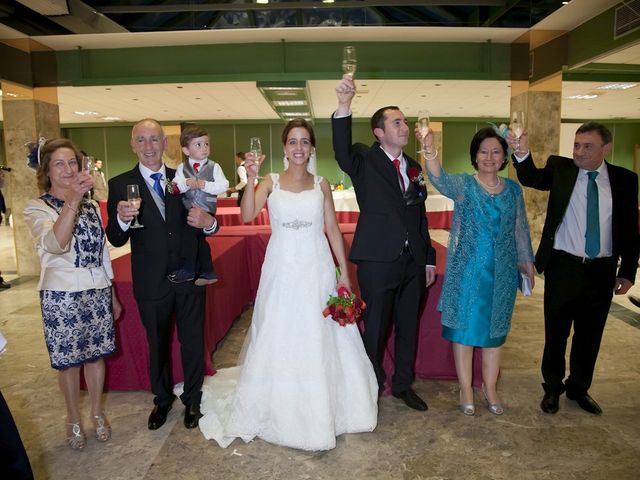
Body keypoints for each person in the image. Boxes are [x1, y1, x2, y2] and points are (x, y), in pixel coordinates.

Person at [199, 118, 377, 451]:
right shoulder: (271, 181)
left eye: (304, 141)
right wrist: (251, 178)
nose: (298, 147)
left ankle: (324, 407)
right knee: (280, 331)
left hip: (317, 266)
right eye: (293, 141)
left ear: (311, 147)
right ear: (285, 147)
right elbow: (248, 215)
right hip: (282, 267)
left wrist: (344, 273)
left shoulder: (322, 184)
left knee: (317, 333)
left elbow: (334, 231)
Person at [508, 122, 639, 415]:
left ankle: (579, 389)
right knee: (556, 332)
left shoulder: (626, 180)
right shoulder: (561, 169)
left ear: (606, 148)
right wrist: (522, 151)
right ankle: (552, 388)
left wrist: (628, 271)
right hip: (563, 267)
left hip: (602, 270)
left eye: (587, 146)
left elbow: (631, 230)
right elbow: (531, 177)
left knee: (590, 335)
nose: (579, 152)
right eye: (577, 145)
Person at [105, 119, 219, 430]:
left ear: (164, 144)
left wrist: (208, 222)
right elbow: (115, 238)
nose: (149, 146)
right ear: (132, 145)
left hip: (189, 275)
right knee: (157, 343)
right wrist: (122, 218)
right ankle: (163, 399)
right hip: (151, 280)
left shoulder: (184, 177)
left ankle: (193, 399)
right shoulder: (119, 184)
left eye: (154, 139)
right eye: (141, 140)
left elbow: (211, 222)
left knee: (192, 341)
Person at [332, 74, 436, 411]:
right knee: (375, 327)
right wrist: (344, 105)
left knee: (408, 325)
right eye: (397, 122)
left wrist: (429, 258)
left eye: (404, 121)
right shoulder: (364, 159)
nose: (405, 127)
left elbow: (420, 217)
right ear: (379, 131)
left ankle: (403, 384)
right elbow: (341, 150)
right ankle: (369, 385)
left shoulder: (415, 167)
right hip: (377, 259)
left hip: (413, 262)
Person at [417, 126, 535, 416]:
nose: (489, 157)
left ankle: (490, 388)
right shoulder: (464, 186)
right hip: (468, 273)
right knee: (466, 332)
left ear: (504, 156)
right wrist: (429, 149)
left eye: (496, 151)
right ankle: (466, 387)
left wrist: (527, 262)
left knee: (495, 335)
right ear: (475, 156)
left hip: (503, 275)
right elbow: (438, 177)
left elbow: (520, 229)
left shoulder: (513, 191)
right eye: (484, 151)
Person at [23, 138, 122, 449]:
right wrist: (72, 202)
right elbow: (56, 244)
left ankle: (95, 413)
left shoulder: (91, 205)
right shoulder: (36, 207)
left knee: (95, 357)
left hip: (96, 290)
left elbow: (102, 251)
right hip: (61, 295)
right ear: (47, 171)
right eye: (59, 164)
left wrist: (112, 292)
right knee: (69, 362)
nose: (68, 169)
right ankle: (72, 418)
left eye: (72, 163)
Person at [168, 125, 229, 285]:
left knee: (188, 238)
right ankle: (208, 272)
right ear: (186, 151)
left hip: (206, 209)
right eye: (199, 144)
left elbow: (223, 185)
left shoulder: (214, 167)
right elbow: (173, 187)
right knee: (200, 242)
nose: (204, 148)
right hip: (189, 209)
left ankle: (188, 270)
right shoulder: (181, 168)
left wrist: (204, 184)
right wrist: (186, 183)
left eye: (206, 144)